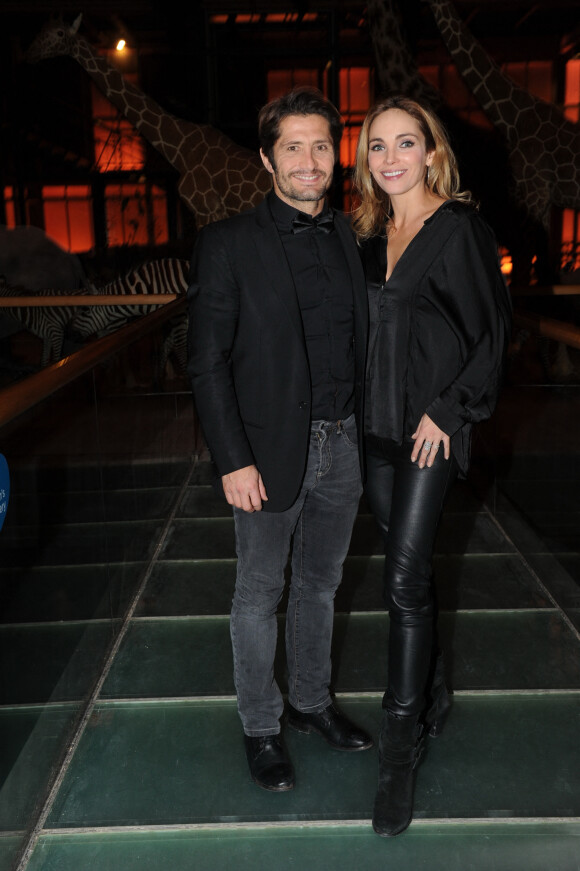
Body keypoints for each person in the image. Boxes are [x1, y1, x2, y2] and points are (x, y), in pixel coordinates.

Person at [187, 87, 373, 793]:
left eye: (322, 145)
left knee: (321, 586)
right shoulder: (229, 243)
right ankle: (262, 726)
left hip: (345, 444)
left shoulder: (351, 237)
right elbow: (204, 360)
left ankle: (311, 702)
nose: (309, 159)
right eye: (292, 146)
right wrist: (231, 458)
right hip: (263, 453)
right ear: (268, 159)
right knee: (259, 591)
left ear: (336, 155)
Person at [352, 95, 512, 836]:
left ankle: (399, 743)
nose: (390, 157)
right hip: (375, 433)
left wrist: (449, 409)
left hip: (430, 433)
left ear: (430, 150)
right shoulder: (371, 232)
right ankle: (436, 685)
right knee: (408, 572)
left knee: (401, 581)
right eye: (377, 145)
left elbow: (493, 332)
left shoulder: (459, 231)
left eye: (404, 142)